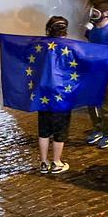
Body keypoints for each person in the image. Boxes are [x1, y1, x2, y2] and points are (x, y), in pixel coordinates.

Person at [85, 2, 108, 150]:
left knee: (106, 107)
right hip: (93, 73)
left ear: (105, 13)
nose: (93, 16)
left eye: (96, 13)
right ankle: (98, 129)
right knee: (91, 104)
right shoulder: (93, 29)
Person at [39, 16, 72, 174]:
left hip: (44, 93)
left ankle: (44, 163)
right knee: (60, 129)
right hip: (62, 95)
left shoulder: (42, 46)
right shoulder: (71, 47)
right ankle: (57, 162)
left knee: (44, 129)